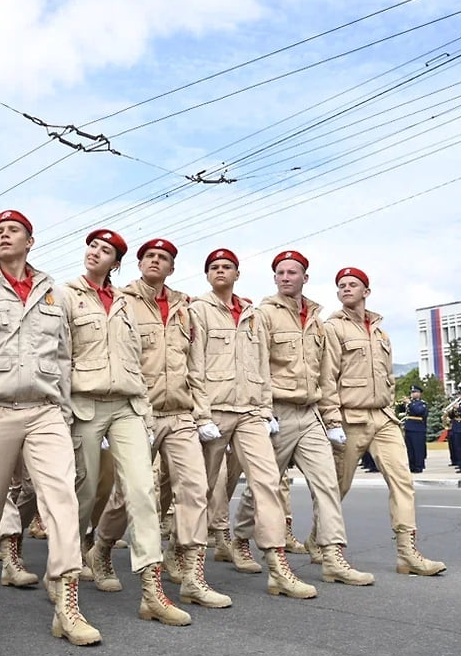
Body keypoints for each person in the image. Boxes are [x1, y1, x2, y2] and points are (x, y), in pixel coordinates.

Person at [0, 209, 101, 645]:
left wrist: (66, 411)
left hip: (45, 409)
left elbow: (64, 356)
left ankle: (68, 603)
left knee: (61, 499)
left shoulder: (53, 292)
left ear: (30, 241)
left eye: (13, 230)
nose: (4, 235)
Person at [93, 238, 232, 608]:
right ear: (139, 264)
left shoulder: (185, 307)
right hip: (139, 412)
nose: (156, 261)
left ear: (172, 268)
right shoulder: (121, 301)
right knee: (131, 493)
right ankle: (102, 549)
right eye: (150, 256)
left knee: (195, 488)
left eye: (164, 258)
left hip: (181, 414)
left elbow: (195, 366)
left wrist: (202, 413)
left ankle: (192, 575)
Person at [63, 230, 189, 626]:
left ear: (115, 263)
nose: (94, 254)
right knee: (83, 492)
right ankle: (65, 573)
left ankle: (152, 592)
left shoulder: (122, 303)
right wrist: (60, 408)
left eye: (105, 251)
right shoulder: (65, 295)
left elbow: (135, 357)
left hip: (128, 406)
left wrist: (147, 417)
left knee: (142, 490)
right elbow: (58, 353)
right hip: (84, 403)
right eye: (92, 247)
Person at [191, 249, 313, 599]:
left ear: (237, 274)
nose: (220, 271)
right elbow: (194, 366)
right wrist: (200, 415)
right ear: (207, 275)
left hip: (249, 414)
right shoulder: (198, 311)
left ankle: (278, 568)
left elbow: (261, 367)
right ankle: (188, 563)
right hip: (214, 412)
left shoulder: (251, 315)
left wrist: (265, 410)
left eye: (226, 267)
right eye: (213, 267)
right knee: (200, 489)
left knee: (268, 483)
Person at [250, 250, 373, 585]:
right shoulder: (264, 315)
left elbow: (324, 375)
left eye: (293, 272)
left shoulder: (317, 320)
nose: (286, 277)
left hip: (311, 415)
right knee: (264, 488)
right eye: (280, 273)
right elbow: (257, 366)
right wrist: (263, 411)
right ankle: (236, 538)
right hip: (278, 413)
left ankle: (332, 556)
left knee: (327, 484)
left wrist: (332, 420)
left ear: (305, 277)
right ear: (275, 278)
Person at [323, 267, 446, 576]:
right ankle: (320, 542)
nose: (346, 289)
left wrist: (390, 406)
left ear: (367, 291)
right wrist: (332, 420)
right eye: (341, 286)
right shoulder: (333, 328)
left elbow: (388, 379)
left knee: (403, 481)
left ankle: (407, 553)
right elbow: (327, 379)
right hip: (351, 418)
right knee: (338, 487)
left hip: (384, 418)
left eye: (353, 285)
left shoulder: (380, 331)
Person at [403, 384, 428, 473]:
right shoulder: (411, 404)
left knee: (418, 448)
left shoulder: (422, 403)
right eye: (412, 392)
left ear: (419, 393)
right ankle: (412, 466)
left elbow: (418, 411)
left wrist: (409, 403)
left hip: (418, 428)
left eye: (414, 392)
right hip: (409, 427)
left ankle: (418, 466)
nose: (412, 394)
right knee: (410, 449)